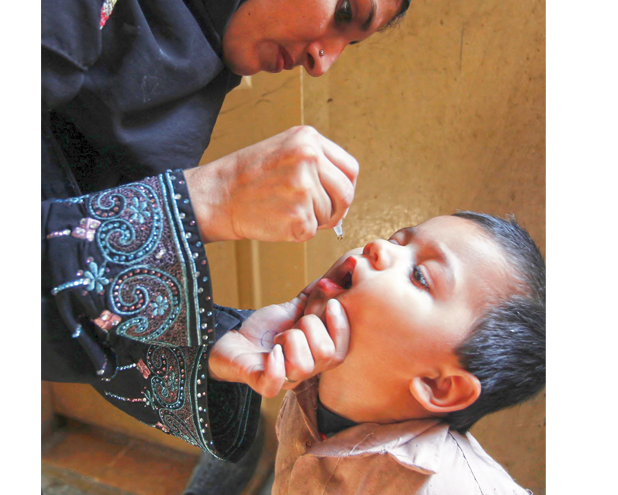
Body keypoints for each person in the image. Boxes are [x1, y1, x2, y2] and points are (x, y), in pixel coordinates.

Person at [41, 0, 431, 468]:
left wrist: (218, 342)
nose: (323, 61)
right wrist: (209, 201)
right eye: (346, 10)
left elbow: (62, 270)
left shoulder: (184, 68)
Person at [221, 211, 545, 494]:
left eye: (420, 275)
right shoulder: (303, 384)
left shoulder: (455, 487)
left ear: (439, 385)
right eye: (398, 240)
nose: (378, 247)